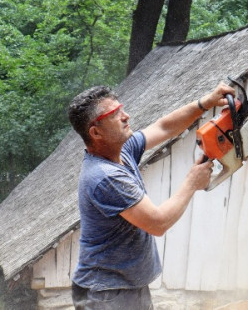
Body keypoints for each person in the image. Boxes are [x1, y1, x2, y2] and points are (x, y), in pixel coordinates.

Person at [67, 82, 235, 310]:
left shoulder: (122, 150)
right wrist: (191, 183)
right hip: (106, 293)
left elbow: (164, 127)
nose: (126, 116)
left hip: (125, 286)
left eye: (121, 109)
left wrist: (205, 102)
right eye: (114, 114)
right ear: (96, 133)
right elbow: (158, 223)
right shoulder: (105, 177)